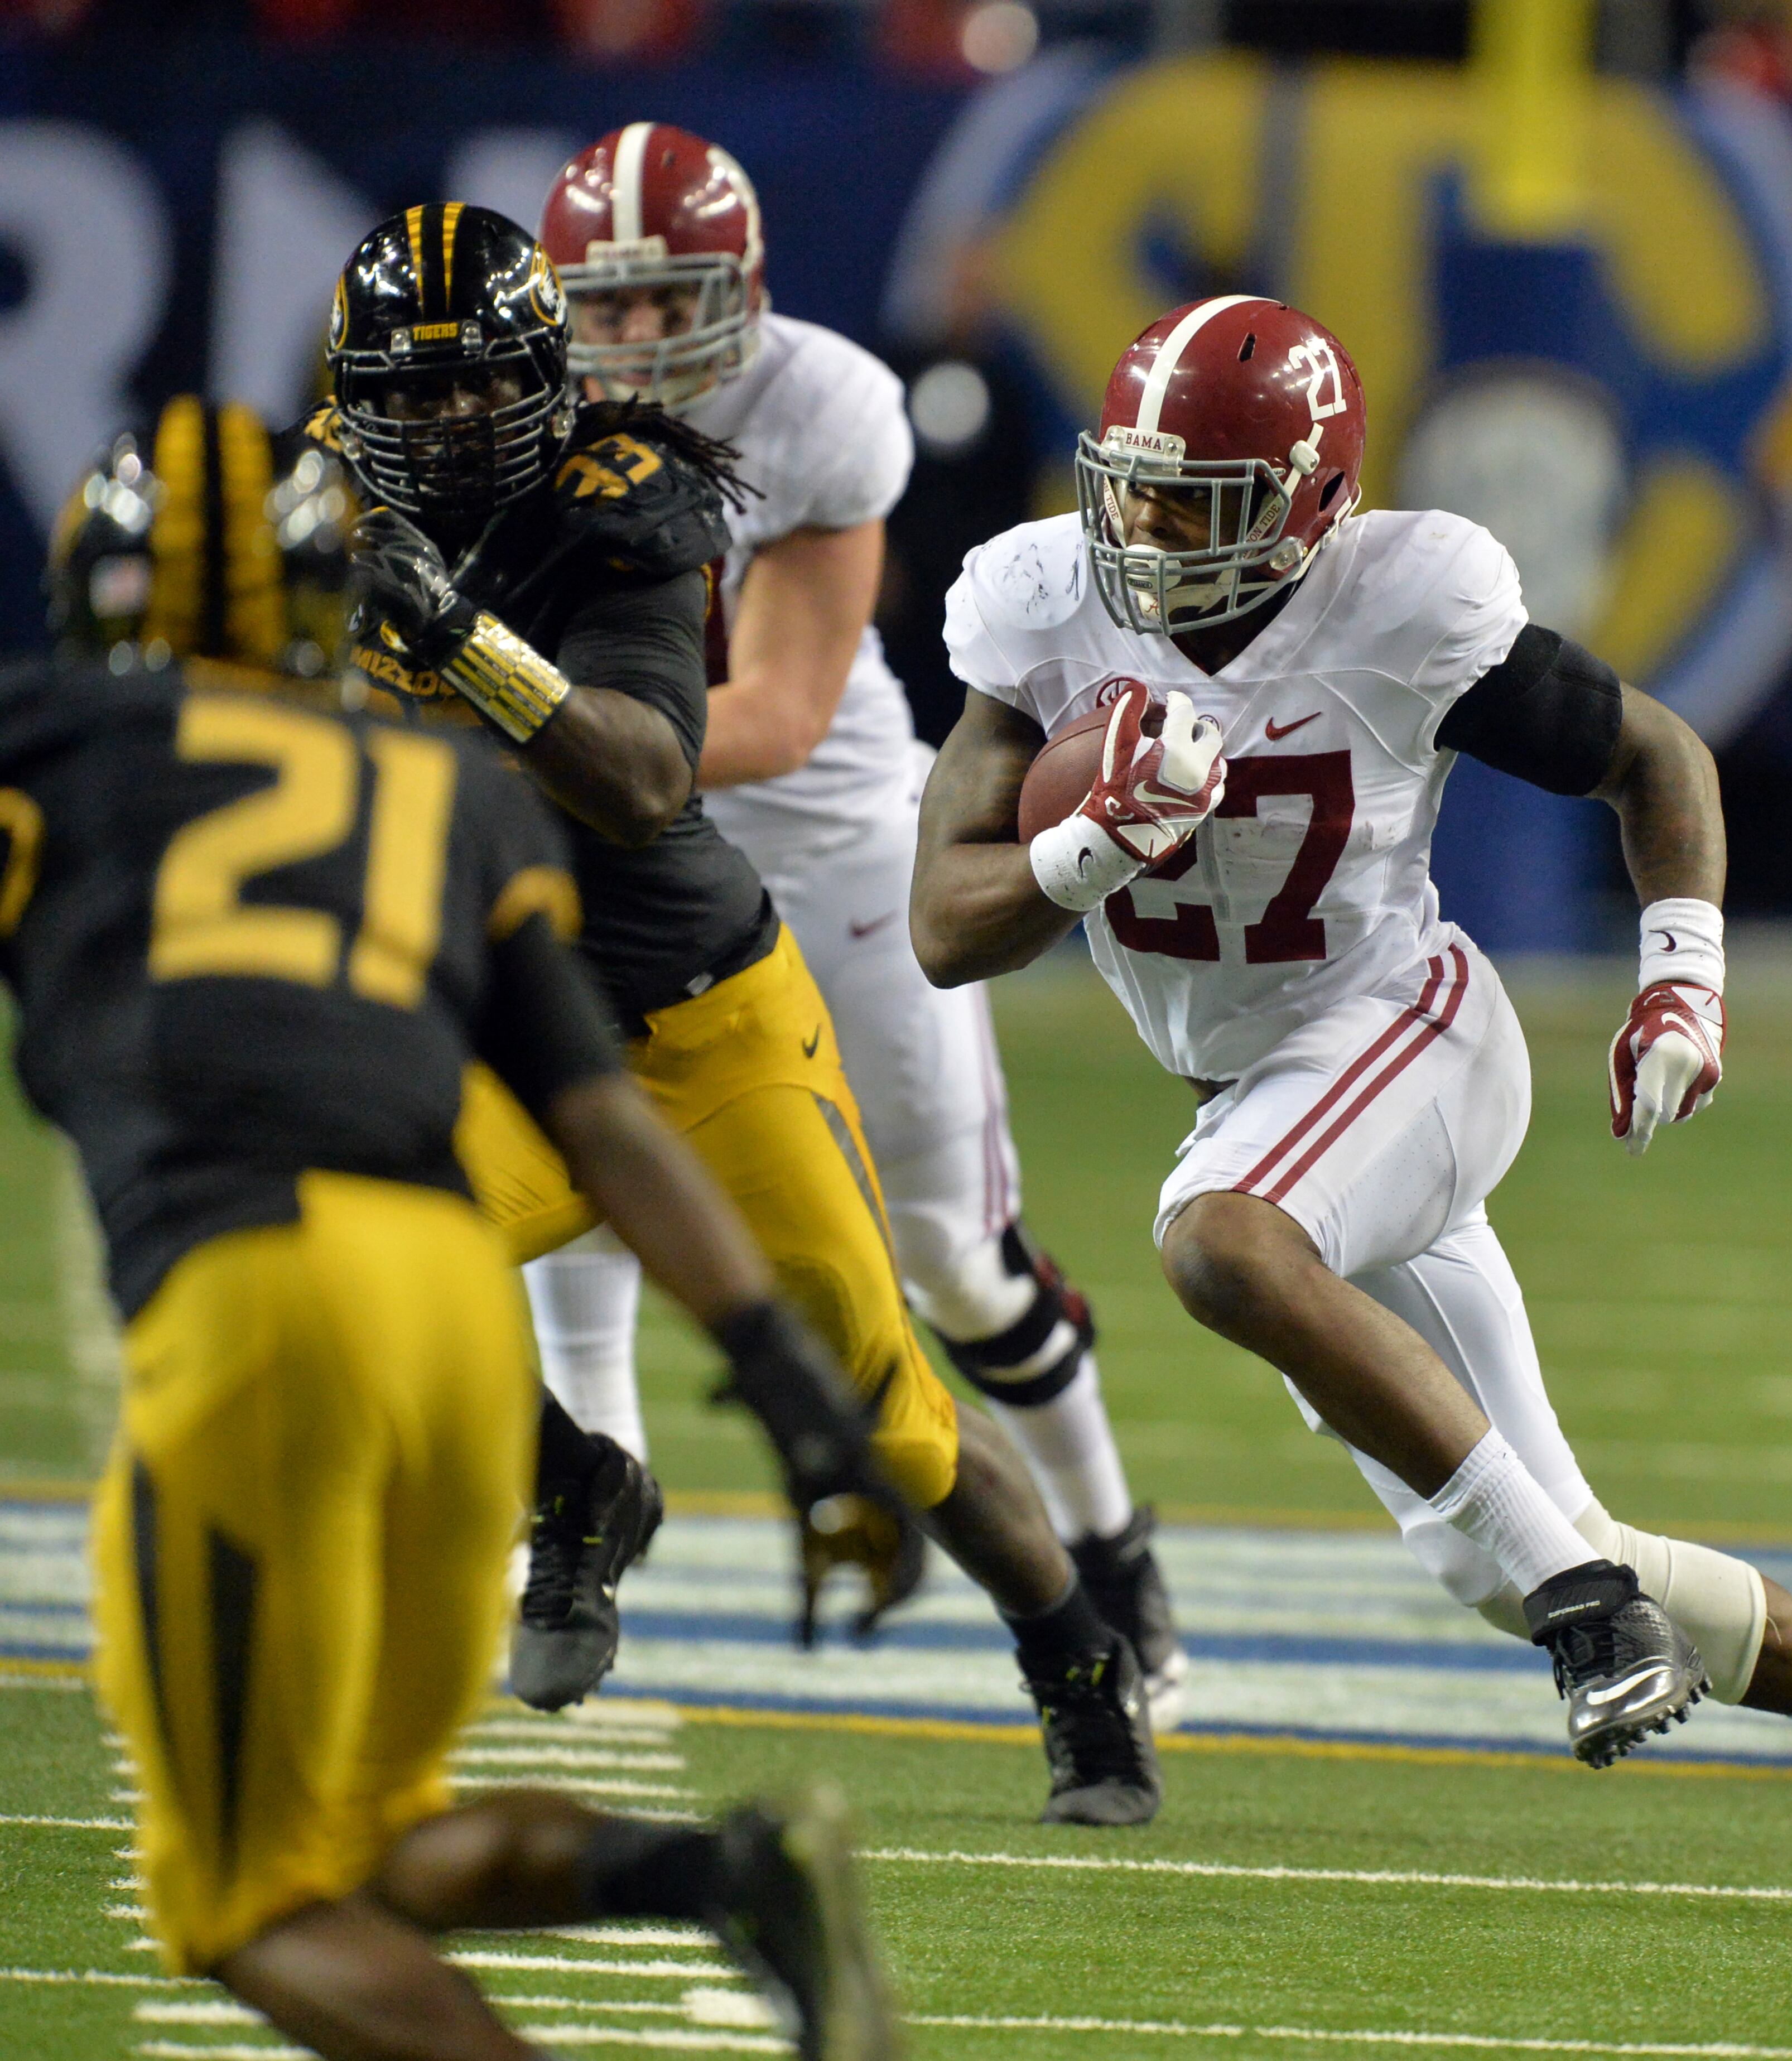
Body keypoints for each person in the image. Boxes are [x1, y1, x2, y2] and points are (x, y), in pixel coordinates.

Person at [908, 294, 1792, 1923]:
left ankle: (1586, 1611)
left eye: (1203, 503)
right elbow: (944, 924)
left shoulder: (1403, 598)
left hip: (1404, 1030)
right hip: (1266, 1088)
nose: (1151, 533)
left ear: (1316, 503)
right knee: (1521, 1541)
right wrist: (1086, 848)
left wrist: (1682, 973)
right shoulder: (1041, 602)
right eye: (1133, 488)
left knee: (1220, 1246)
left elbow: (1657, 757)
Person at [17, 394, 904, 2060]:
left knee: (243, 1902)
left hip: (256, 1299)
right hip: (454, 1334)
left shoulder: (52, 748)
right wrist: (795, 1391)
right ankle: (732, 1868)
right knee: (359, 1836)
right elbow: (603, 1125)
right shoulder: (448, 781)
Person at [315, 202, 1158, 1823]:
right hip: (498, 1018)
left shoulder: (626, 494)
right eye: (398, 396)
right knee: (347, 1252)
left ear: (545, 376)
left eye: (468, 386)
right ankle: (579, 1487)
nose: (433, 425)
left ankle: (1075, 1657)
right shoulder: (318, 505)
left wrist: (456, 639)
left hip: (697, 1018)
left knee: (887, 1409)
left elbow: (644, 776)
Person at [532, 124, 1187, 1724]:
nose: (628, 341)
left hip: (819, 845)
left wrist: (519, 724)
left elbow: (778, 706)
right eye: (598, 309)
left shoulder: (819, 400)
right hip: (604, 850)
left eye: (660, 302)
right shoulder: (508, 411)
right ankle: (572, 1540)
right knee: (575, 1184)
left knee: (949, 1256)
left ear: (739, 289)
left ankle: (1110, 1548)